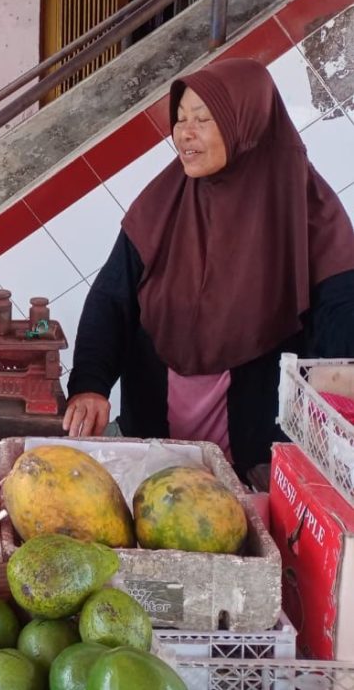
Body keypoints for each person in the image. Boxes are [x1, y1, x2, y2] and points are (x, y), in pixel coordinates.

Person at [64, 58, 354, 484]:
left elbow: (340, 338)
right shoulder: (162, 204)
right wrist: (90, 384)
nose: (185, 132)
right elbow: (113, 299)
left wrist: (313, 453)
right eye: (180, 118)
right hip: (150, 445)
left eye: (202, 118)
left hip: (257, 462)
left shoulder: (311, 216)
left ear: (247, 123)